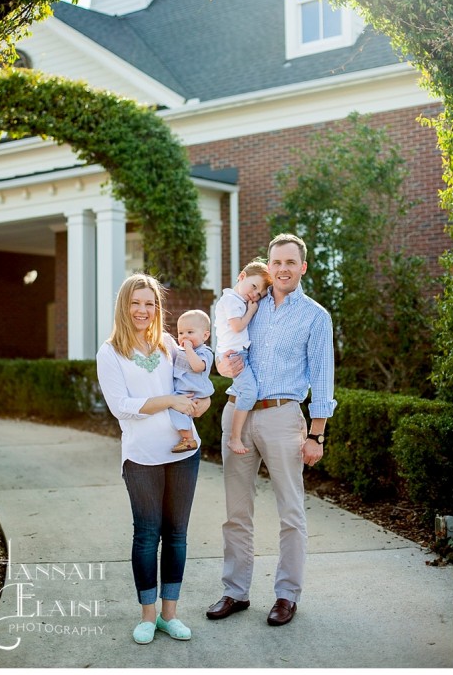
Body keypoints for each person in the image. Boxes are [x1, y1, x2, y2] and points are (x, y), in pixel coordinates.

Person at [207, 233, 334, 627]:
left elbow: (324, 379)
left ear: (302, 267)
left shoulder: (315, 316)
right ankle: (235, 591)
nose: (282, 269)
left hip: (283, 415)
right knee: (236, 511)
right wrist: (221, 366)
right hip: (238, 414)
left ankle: (286, 595)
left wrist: (317, 435)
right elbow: (223, 353)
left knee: (291, 512)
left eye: (289, 263)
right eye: (276, 262)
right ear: (269, 266)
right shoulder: (248, 304)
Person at [96, 273, 210, 645]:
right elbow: (121, 407)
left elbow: (193, 383)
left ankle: (169, 615)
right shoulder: (110, 352)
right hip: (141, 457)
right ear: (124, 306)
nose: (143, 310)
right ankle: (147, 616)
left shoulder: (167, 344)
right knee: (147, 535)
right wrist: (170, 402)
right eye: (136, 302)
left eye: (150, 303)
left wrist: (202, 402)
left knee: (177, 534)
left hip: (183, 453)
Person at [214, 261, 271, 455]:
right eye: (254, 286)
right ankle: (234, 437)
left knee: (243, 391)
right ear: (241, 277)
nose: (254, 295)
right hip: (234, 355)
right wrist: (252, 311)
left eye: (259, 294)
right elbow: (238, 326)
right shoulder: (231, 300)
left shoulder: (237, 300)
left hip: (236, 352)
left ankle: (235, 436)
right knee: (248, 392)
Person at [170, 309, 215, 453]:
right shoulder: (181, 351)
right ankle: (187, 438)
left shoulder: (205, 352)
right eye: (181, 333)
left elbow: (197, 367)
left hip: (195, 392)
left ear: (205, 335)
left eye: (190, 332)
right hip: (183, 392)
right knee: (177, 411)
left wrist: (189, 349)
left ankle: (189, 440)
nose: (184, 337)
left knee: (176, 410)